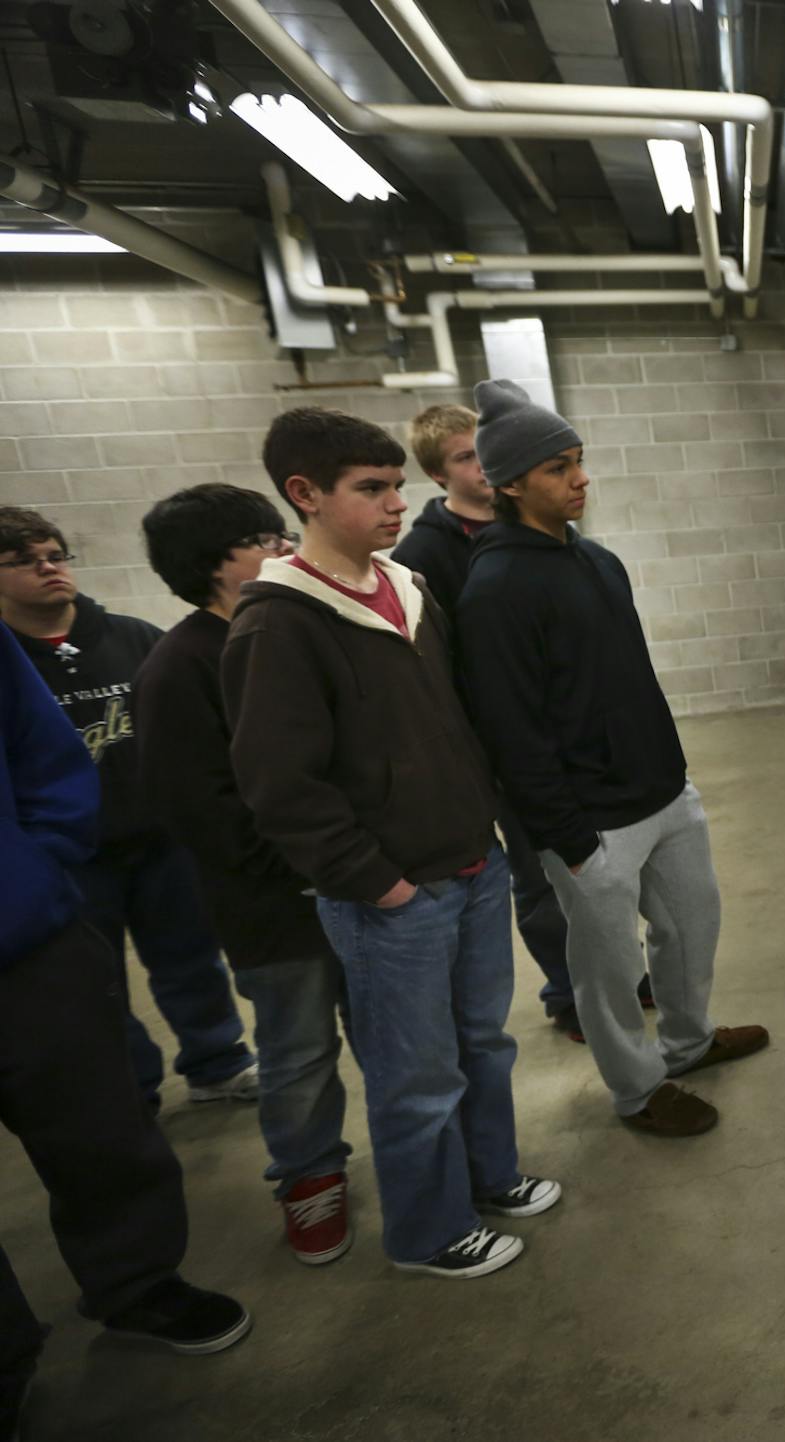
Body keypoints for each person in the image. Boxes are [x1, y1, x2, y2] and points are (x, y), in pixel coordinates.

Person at [223, 407, 559, 1279]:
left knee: (483, 1045)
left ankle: (492, 1179)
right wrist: (379, 885)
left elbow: (452, 722)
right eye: (370, 489)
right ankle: (428, 1231)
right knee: (417, 1079)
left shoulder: (407, 589)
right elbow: (279, 786)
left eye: (397, 486)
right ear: (305, 495)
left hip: (472, 865)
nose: (394, 504)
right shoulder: (280, 619)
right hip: (394, 897)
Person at [456, 380, 767, 1139]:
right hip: (591, 821)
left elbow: (630, 682)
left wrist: (676, 773)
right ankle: (636, 1088)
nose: (580, 478)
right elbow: (512, 734)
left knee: (691, 928)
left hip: (664, 793)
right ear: (512, 484)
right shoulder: (494, 588)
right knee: (606, 972)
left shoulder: (597, 561)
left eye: (578, 461)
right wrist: (570, 839)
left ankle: (688, 1045)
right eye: (559, 467)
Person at [3, 626, 250, 1439]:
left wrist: (41, 861)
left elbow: (41, 747)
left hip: (23, 938)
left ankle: (137, 1282)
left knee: (98, 1124)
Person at [135, 484, 358, 1266]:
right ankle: (309, 1179)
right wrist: (312, 865)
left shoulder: (294, 630)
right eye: (264, 537)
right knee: (298, 1055)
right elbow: (204, 812)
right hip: (277, 908)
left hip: (358, 883)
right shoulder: (177, 668)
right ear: (213, 564)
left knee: (395, 1033)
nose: (286, 546)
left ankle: (424, 1157)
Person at [0, 506, 256, 1111]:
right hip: (71, 857)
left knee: (191, 960)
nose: (48, 569)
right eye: (24, 562)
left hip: (160, 840)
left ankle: (217, 1063)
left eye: (56, 555)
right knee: (98, 982)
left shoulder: (132, 637)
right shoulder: (11, 664)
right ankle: (131, 1085)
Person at [391, 403, 585, 1039]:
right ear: (437, 473)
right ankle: (568, 993)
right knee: (538, 874)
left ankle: (613, 972)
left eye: (483, 450)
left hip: (567, 731)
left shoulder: (542, 527)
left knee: (593, 864)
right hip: (497, 742)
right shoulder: (422, 553)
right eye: (463, 457)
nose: (480, 464)